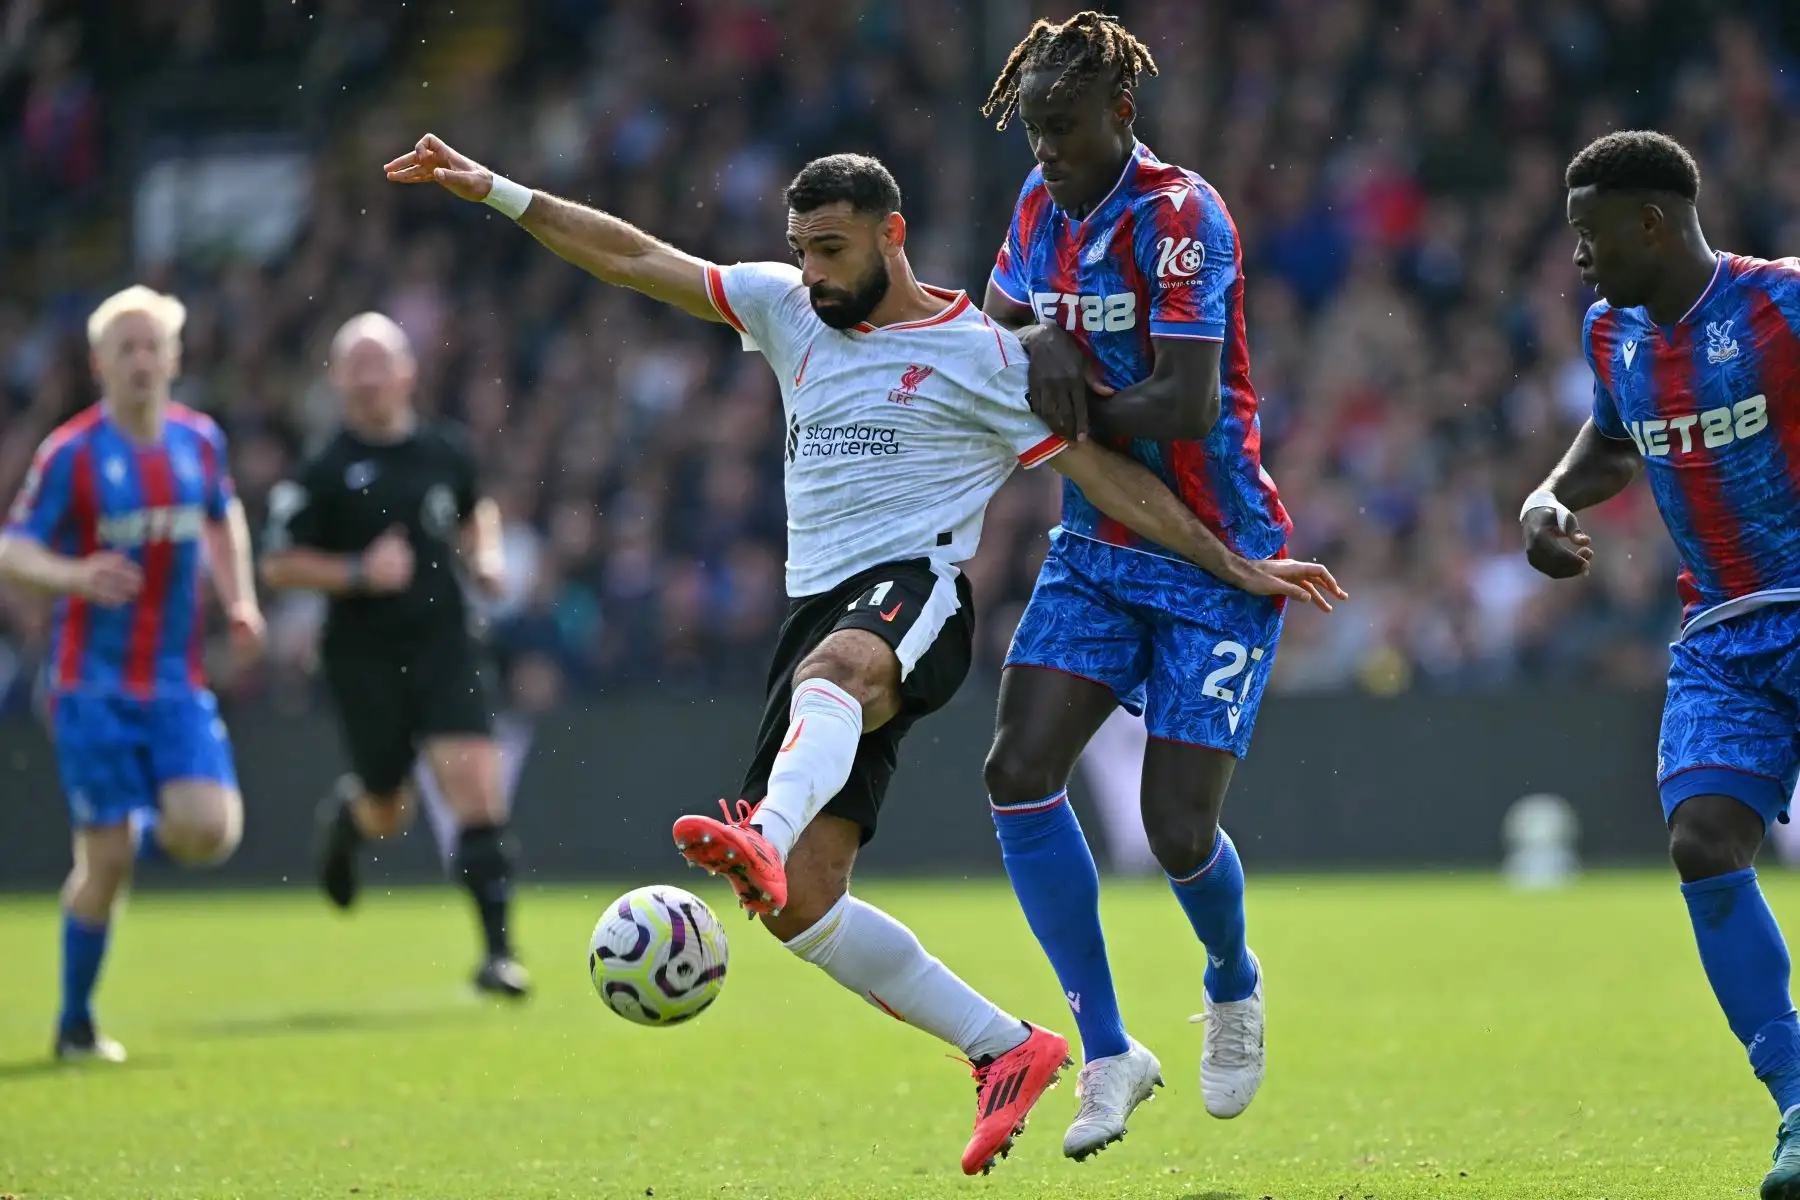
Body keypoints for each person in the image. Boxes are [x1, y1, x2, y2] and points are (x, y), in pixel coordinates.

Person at [384, 134, 1341, 1175]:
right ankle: (1005, 1047)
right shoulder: (786, 307)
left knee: (840, 679)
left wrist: (1232, 563)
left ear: (892, 235)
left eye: (832, 250)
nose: (814, 273)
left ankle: (763, 829)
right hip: (818, 614)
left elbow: (1107, 477)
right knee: (801, 902)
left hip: (915, 594)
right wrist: (499, 189)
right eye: (801, 249)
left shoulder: (982, 354)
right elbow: (634, 257)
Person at [974, 11, 1292, 1158]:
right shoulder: (1036, 207)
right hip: (1098, 546)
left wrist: (1062, 394)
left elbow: (1187, 402)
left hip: (1217, 549)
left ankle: (1232, 976)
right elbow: (995, 338)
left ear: (1121, 110)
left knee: (1175, 831)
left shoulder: (1181, 217)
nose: (1046, 150)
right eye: (1032, 129)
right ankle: (1108, 1049)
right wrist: (1033, 349)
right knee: (1016, 770)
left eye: (1063, 126)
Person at [1524, 129, 1800, 1200]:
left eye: (1590, 234)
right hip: (1723, 631)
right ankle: (1797, 1098)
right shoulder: (1612, 335)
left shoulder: (1780, 304)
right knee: (1700, 839)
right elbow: (1610, 444)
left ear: (1652, 222)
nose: (1578, 257)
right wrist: (1550, 497)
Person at [0, 285, 264, 1062]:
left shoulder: (199, 442)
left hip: (175, 683)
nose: (142, 361)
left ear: (174, 359)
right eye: (127, 349)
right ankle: (75, 1024)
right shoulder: (72, 453)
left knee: (210, 831)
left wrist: (240, 599)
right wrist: (75, 576)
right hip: (91, 687)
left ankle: (132, 827)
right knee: (105, 867)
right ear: (100, 364)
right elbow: (12, 548)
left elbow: (222, 515)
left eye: (154, 347)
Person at [259, 313, 527, 999]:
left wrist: (486, 557)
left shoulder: (444, 449)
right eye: (356, 365)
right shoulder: (323, 469)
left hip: (444, 641)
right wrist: (357, 572)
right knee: (389, 807)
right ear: (337, 379)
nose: (369, 378)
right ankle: (349, 824)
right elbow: (278, 563)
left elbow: (475, 511)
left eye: (380, 363)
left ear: (408, 372)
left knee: (475, 780)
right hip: (364, 658)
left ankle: (498, 955)